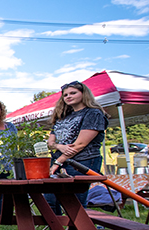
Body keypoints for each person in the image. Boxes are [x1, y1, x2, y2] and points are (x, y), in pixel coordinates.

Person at [44, 81, 109, 215]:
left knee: (75, 203)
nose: (68, 96)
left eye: (73, 93)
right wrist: (59, 146)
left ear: (83, 94)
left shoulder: (93, 114)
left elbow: (79, 145)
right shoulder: (62, 116)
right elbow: (50, 142)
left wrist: (57, 162)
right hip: (59, 161)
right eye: (65, 95)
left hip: (83, 161)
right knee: (50, 199)